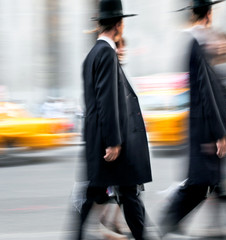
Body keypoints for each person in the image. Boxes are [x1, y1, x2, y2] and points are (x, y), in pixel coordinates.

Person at [160, 0, 226, 236]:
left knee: (205, 183)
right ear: (209, 14)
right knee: (199, 184)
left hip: (203, 128)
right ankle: (168, 222)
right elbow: (206, 91)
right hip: (204, 130)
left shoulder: (197, 43)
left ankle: (173, 223)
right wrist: (218, 132)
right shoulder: (198, 44)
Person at [77, 1, 152, 239]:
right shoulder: (107, 53)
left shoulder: (92, 55)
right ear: (119, 24)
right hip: (111, 143)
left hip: (99, 139)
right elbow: (107, 101)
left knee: (112, 194)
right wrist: (113, 141)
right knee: (127, 195)